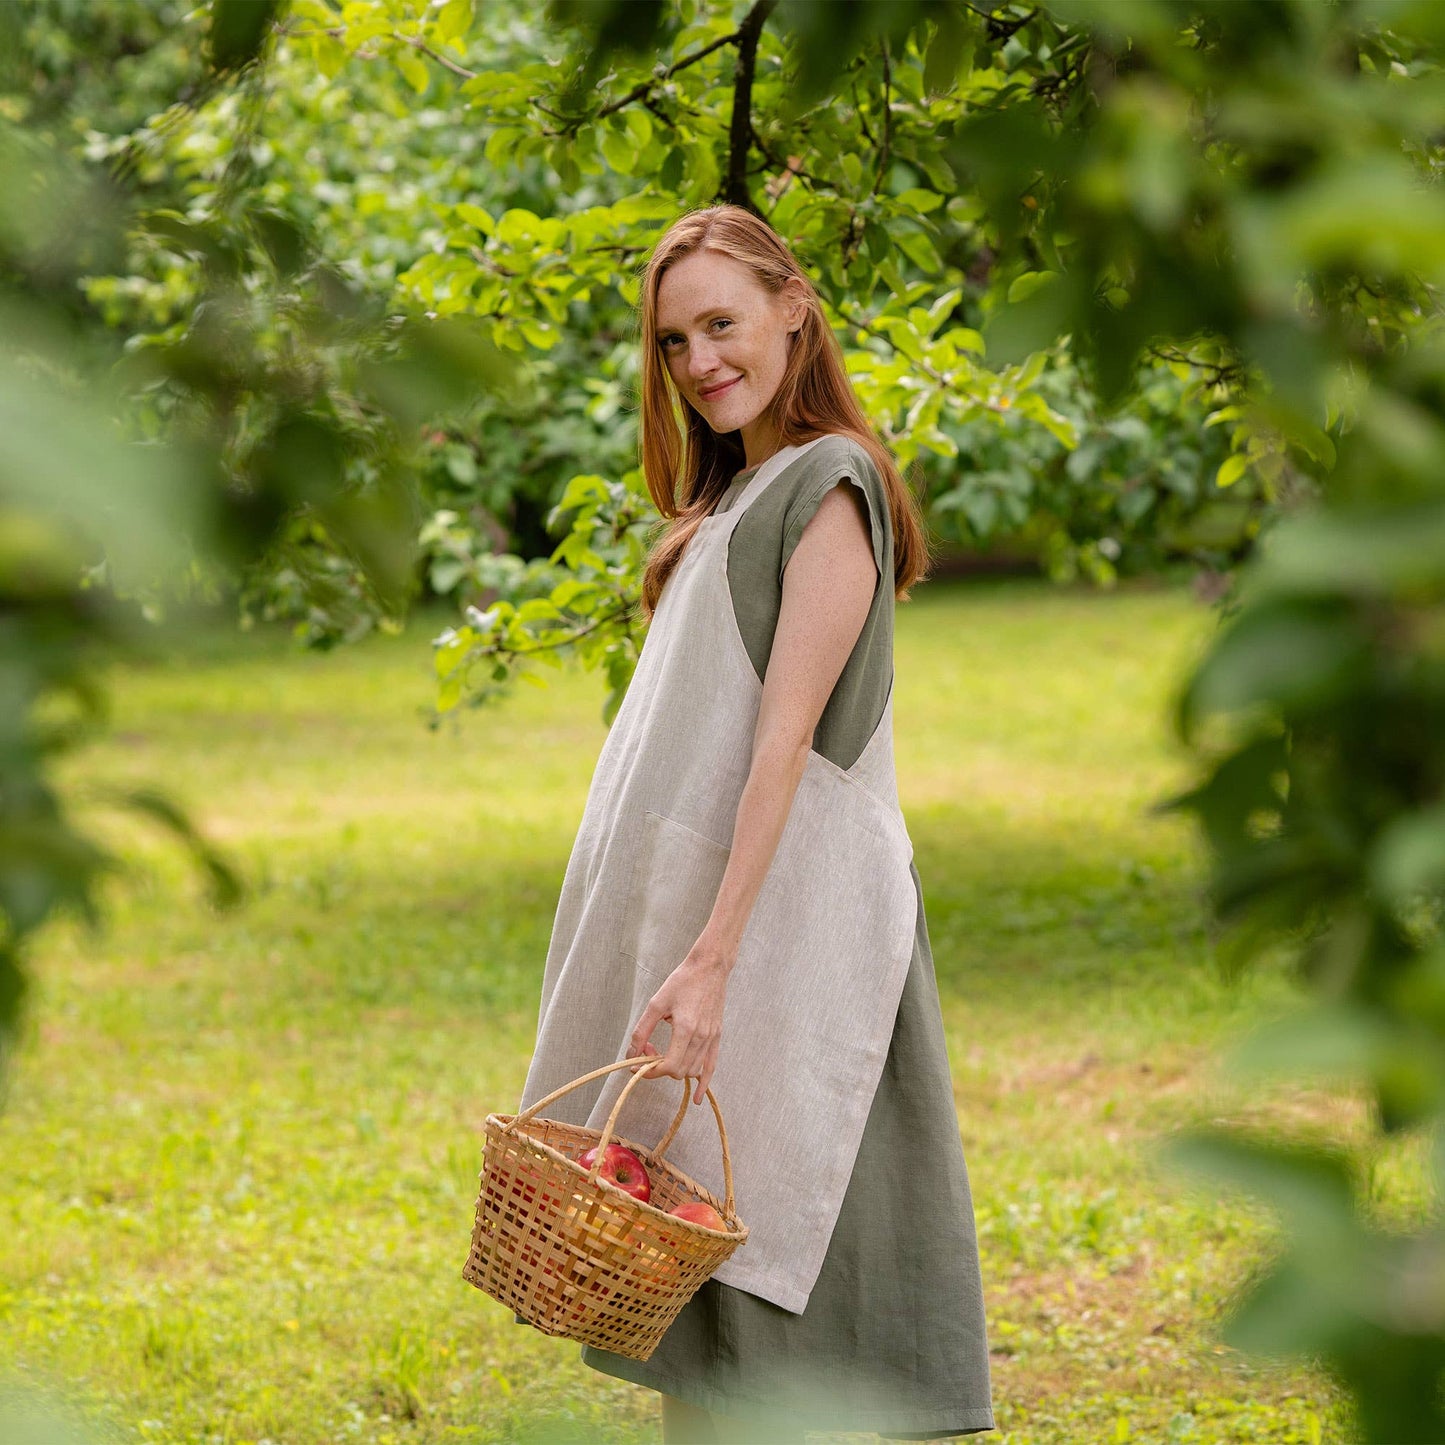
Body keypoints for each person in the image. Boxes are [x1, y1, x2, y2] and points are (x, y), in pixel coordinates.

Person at [514, 204, 994, 1443]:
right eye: (673, 342)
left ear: (793, 306)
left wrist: (715, 957)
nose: (698, 362)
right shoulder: (732, 499)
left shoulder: (828, 488)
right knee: (709, 1337)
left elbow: (784, 744)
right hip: (709, 935)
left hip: (786, 944)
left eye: (719, 323)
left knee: (797, 1302)